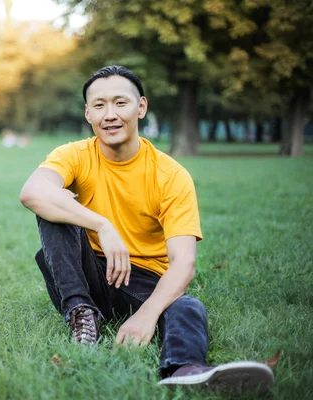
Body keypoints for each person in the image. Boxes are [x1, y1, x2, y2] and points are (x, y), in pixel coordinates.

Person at [19, 66, 274, 393]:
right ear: (88, 113)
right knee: (54, 206)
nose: (109, 115)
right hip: (86, 272)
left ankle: (185, 370)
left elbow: (183, 263)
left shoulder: (170, 175)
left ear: (141, 107)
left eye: (120, 103)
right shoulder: (74, 155)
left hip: (142, 280)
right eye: (99, 105)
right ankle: (83, 318)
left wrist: (148, 314)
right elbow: (32, 192)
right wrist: (102, 225)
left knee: (188, 306)